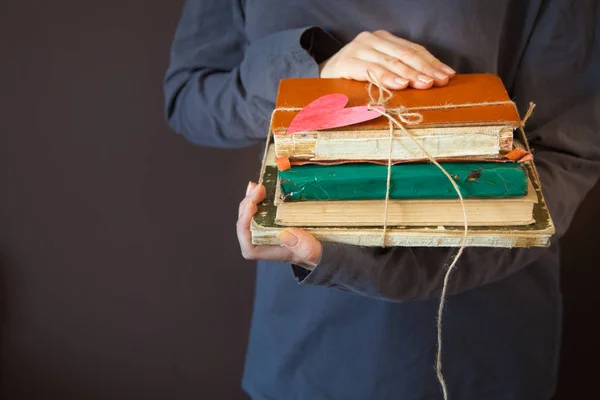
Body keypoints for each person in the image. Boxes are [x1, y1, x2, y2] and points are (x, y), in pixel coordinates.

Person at [164, 1, 600, 399]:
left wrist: (385, 267)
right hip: (308, 340)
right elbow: (191, 96)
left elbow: (566, 148)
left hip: (476, 334)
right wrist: (311, 73)